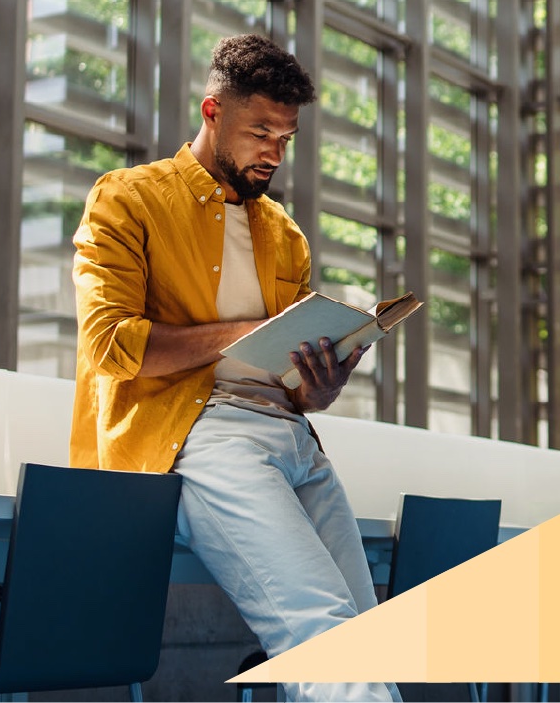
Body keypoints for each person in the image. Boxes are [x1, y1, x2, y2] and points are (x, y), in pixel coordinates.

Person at [71, 34, 402, 703]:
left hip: (296, 444)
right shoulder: (128, 198)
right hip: (204, 439)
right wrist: (245, 333)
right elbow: (108, 343)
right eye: (259, 132)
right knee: (323, 637)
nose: (273, 153)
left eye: (286, 137)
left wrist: (321, 381)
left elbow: (295, 384)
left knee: (366, 642)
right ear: (212, 111)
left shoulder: (285, 234)